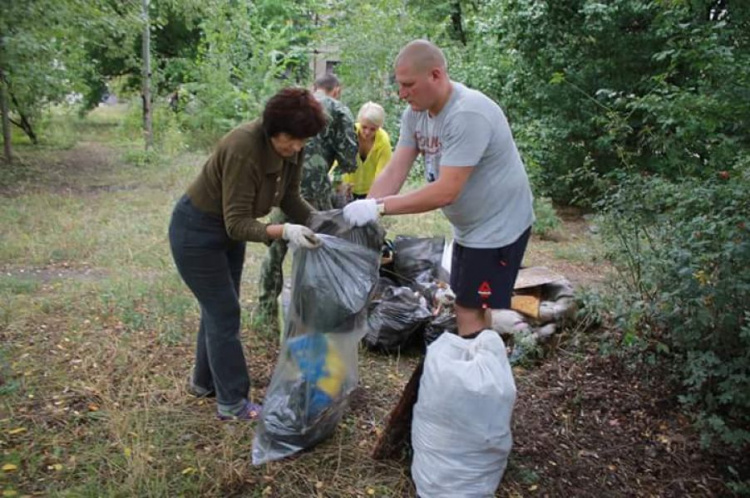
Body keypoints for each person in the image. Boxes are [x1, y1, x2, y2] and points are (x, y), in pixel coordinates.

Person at [343, 39, 535, 338]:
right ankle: (482, 369)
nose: (401, 94)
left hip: (499, 226)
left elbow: (447, 190)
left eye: (409, 85)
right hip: (470, 229)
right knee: (470, 305)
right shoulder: (415, 115)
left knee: (469, 311)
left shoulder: (467, 114)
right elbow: (397, 168)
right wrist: (366, 208)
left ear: (436, 75)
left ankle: (475, 378)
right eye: (399, 85)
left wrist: (380, 207)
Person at [169, 87, 327, 420]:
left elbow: (290, 198)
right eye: (292, 139)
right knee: (225, 312)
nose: (298, 147)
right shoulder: (243, 147)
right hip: (196, 232)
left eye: (303, 141)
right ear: (274, 129)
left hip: (226, 233)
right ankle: (233, 403)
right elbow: (237, 223)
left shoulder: (291, 148)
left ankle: (203, 382)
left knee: (218, 309)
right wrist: (283, 231)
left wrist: (321, 223)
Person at [257, 74, 358, 321]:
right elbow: (348, 158)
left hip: (284, 180)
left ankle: (265, 309)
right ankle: (318, 308)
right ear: (337, 90)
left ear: (315, 88)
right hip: (315, 185)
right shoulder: (339, 110)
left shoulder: (294, 107)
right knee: (321, 243)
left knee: (277, 243)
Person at [339, 101, 392, 200]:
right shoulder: (349, 134)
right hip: (346, 188)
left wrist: (372, 197)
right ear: (359, 121)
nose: (367, 132)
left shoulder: (383, 141)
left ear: (379, 127)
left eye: (373, 129)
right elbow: (336, 162)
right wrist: (339, 184)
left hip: (370, 190)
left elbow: (382, 174)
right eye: (364, 127)